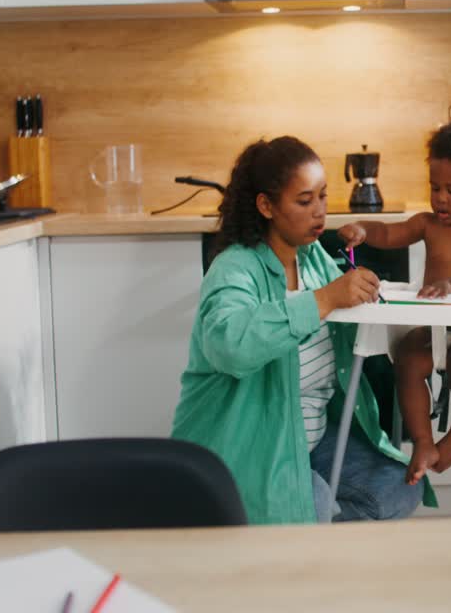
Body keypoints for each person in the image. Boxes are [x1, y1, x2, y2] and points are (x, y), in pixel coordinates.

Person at [171, 136, 433, 524]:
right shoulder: (235, 267)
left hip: (310, 438)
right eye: (304, 201)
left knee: (400, 487)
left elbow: (352, 323)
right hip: (251, 446)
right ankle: (301, 519)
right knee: (311, 504)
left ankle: (307, 524)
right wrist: (324, 300)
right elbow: (228, 344)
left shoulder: (312, 259)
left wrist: (394, 306)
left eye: (323, 197)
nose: (319, 213)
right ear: (266, 206)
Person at [338, 116, 451, 485]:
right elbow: (390, 234)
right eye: (434, 187)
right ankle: (423, 440)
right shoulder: (427, 224)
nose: (440, 198)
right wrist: (364, 230)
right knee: (407, 360)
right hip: (432, 325)